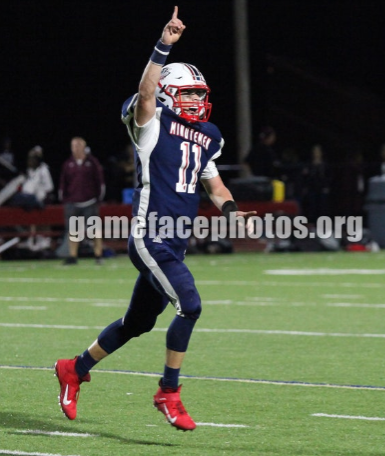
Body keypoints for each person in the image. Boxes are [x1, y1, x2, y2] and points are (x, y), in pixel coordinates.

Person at [54, 7, 256, 432]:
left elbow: (216, 187)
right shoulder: (151, 122)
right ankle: (168, 391)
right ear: (167, 94)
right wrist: (163, 45)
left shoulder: (208, 136)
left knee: (137, 323)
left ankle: (74, 368)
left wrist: (236, 215)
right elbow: (145, 95)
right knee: (191, 305)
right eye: (189, 94)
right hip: (150, 238)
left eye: (200, 95)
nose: (197, 102)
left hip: (175, 242)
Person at [58, 137, 105, 264]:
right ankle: (73, 256)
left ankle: (98, 255)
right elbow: (63, 184)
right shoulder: (68, 164)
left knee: (94, 230)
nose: (76, 148)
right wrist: (65, 200)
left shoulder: (92, 162)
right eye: (74, 145)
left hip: (90, 201)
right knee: (73, 230)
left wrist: (98, 199)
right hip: (73, 202)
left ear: (84, 147)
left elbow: (99, 182)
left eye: (78, 145)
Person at [300, 144, 331, 224]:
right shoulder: (309, 163)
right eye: (314, 151)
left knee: (322, 207)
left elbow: (328, 175)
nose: (316, 153)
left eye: (317, 152)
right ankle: (312, 223)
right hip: (311, 187)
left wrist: (326, 186)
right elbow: (305, 176)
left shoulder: (324, 163)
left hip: (322, 187)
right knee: (312, 206)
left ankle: (322, 222)